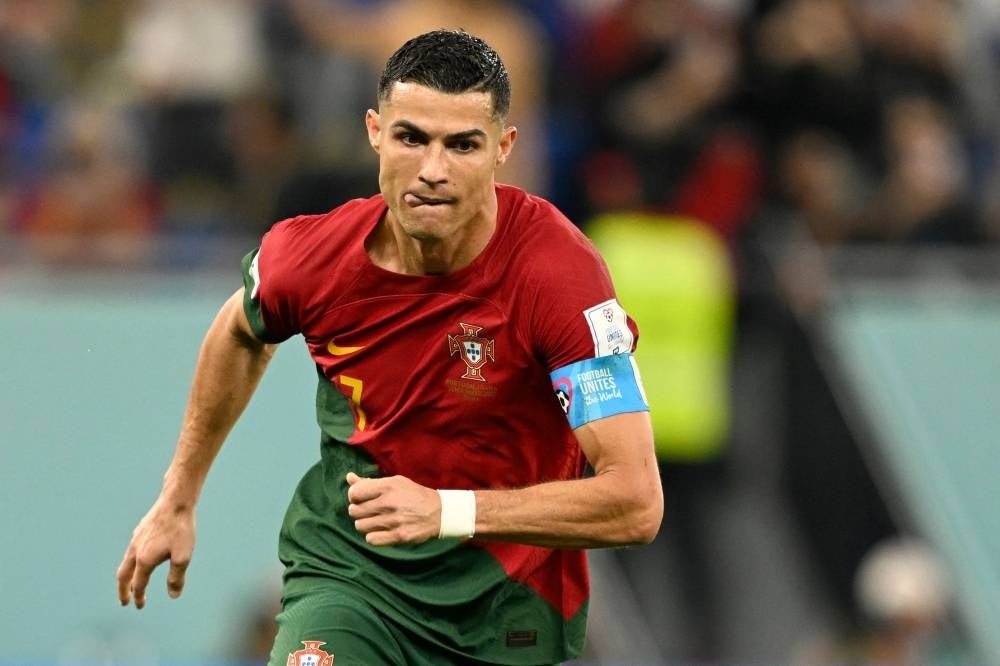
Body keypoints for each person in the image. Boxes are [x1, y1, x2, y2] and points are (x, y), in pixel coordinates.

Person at [116, 29, 662, 666]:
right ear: (375, 131)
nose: (433, 170)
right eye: (412, 138)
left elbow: (636, 501)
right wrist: (178, 495)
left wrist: (444, 511)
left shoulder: (558, 276)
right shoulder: (311, 257)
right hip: (351, 579)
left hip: (507, 607)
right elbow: (239, 332)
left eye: (463, 145)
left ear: (503, 149)